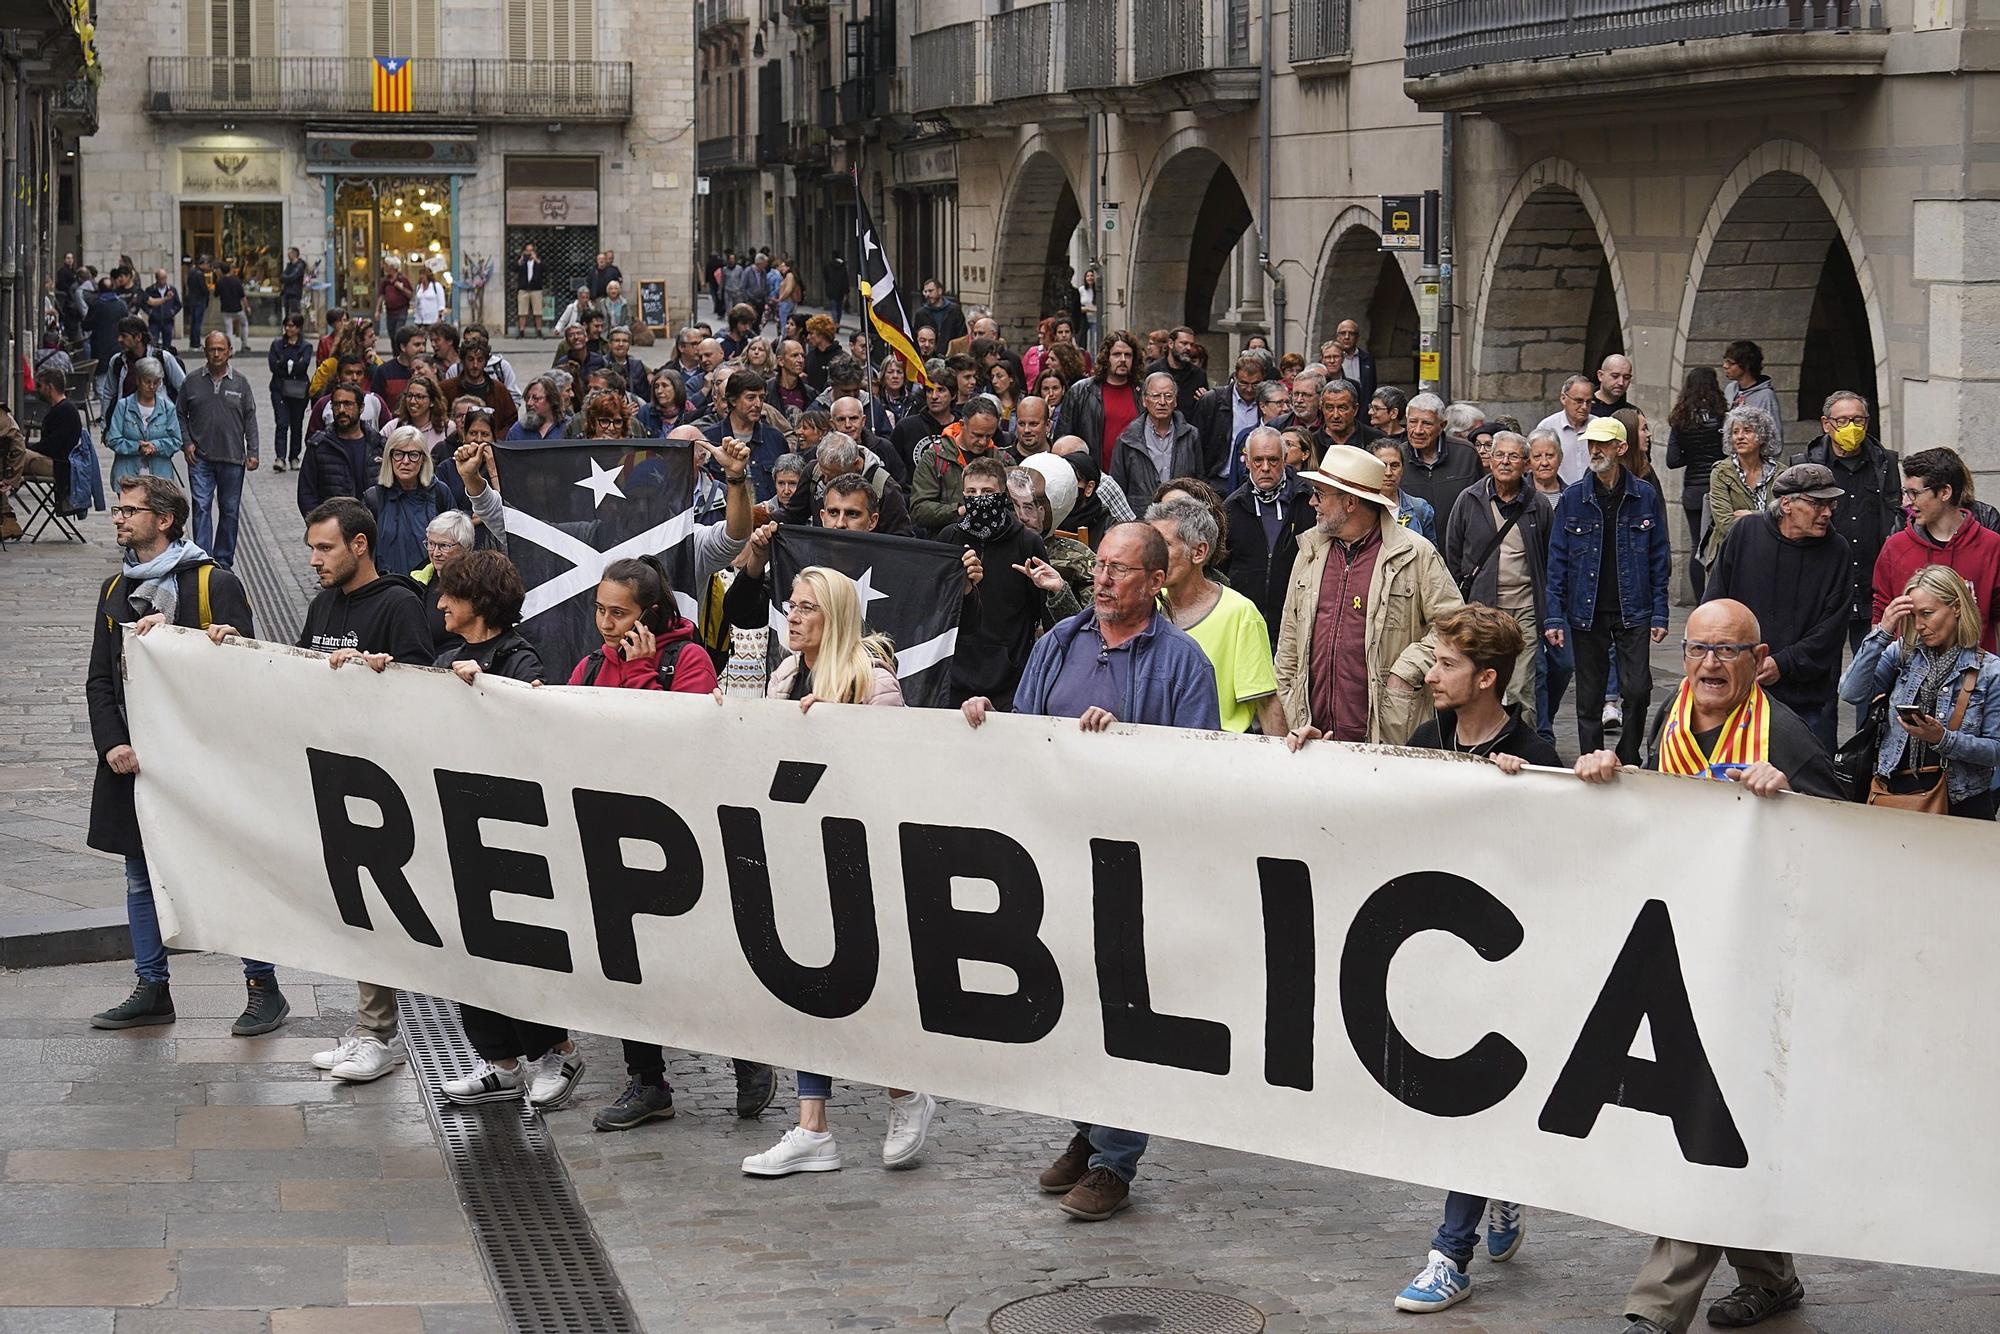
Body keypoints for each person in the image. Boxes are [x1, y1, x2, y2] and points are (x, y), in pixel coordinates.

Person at [1575, 597, 1835, 1334]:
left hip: (1754, 960)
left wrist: (1794, 795)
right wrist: (1609, 773)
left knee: (1705, 1117)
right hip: (1681, 948)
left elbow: (1846, 823)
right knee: (1725, 1115)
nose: (1711, 665)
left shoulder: (1782, 732)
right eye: (1699, 650)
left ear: (1758, 660)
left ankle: (1657, 1308)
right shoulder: (1669, 717)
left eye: (1728, 651)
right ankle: (1770, 1276)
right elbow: (1659, 804)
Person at [963, 522, 1218, 1221]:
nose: (1103, 580)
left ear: (1156, 581)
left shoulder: (1183, 663)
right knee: (1072, 1002)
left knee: (1125, 1009)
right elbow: (1026, 739)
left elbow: (1199, 767)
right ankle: (1087, 1130)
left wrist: (1126, 745)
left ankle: (1114, 1161)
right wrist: (988, 720)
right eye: (1101, 566)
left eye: (1122, 570)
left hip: (1135, 867)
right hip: (1057, 858)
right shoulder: (1059, 643)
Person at [209, 498, 433, 1083]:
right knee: (355, 910)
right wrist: (239, 652)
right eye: (309, 548)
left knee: (380, 912)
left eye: (325, 547)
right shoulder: (323, 603)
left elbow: (425, 691)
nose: (313, 560)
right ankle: (369, 1028)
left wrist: (380, 671)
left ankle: (380, 1032)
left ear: (360, 545)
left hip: (386, 786)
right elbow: (302, 675)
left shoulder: (400, 604)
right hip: (335, 777)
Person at [737, 566, 939, 1175]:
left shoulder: (873, 683)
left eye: (808, 608)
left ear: (838, 618)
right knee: (805, 984)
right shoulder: (783, 675)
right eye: (791, 606)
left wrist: (836, 732)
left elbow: (892, 772)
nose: (793, 617)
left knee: (868, 986)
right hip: (800, 854)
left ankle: (906, 1090)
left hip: (863, 861)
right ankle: (812, 1126)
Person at [572, 548, 777, 1127]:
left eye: (618, 614)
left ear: (650, 613)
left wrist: (639, 674)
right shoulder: (589, 666)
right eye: (600, 611)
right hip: (615, 833)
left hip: (684, 835)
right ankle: (646, 1080)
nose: (607, 624)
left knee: (708, 952)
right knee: (630, 961)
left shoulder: (688, 661)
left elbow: (677, 742)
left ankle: (750, 1057)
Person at [85, 475, 289, 1037]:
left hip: (207, 760)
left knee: (231, 870)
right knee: (140, 875)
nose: (119, 518)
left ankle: (263, 988)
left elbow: (247, 668)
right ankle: (152, 988)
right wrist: (113, 743)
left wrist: (179, 634)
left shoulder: (214, 583)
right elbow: (101, 681)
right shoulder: (113, 590)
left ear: (166, 519)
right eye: (118, 510)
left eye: (130, 510)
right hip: (138, 761)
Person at [1276, 445, 1463, 748]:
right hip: (1313, 737)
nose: (1312, 502)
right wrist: (1289, 707)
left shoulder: (1414, 554)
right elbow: (1289, 641)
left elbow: (1456, 628)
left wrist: (1407, 670)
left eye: (1321, 494)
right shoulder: (1309, 552)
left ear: (1350, 502)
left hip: (1389, 735)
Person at [1544, 416, 1671, 766]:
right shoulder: (1573, 497)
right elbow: (1558, 559)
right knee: (1588, 694)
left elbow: (1660, 556)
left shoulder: (1644, 495)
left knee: (1637, 689)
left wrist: (1661, 611)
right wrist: (1553, 614)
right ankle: (1591, 757)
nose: (1594, 450)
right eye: (1590, 444)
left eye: (1602, 444)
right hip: (1586, 609)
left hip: (1635, 607)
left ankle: (1628, 755)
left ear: (1621, 448)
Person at [1704, 463, 1853, 751]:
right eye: (1817, 504)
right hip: (1741, 688)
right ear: (1786, 503)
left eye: (1831, 504)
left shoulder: (1837, 551)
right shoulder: (1746, 533)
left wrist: (1783, 663)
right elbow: (1715, 606)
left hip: (1808, 699)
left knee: (1810, 788)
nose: (1827, 513)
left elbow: (1831, 630)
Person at [1843, 565, 2000, 819]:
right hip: (1895, 794)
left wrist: (1942, 739)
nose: (1919, 625)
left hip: (1960, 801)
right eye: (1913, 616)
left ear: (1957, 608)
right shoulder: (1903, 653)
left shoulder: (1990, 671)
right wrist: (1883, 632)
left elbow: (1995, 750)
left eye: (1927, 613)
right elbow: (1851, 692)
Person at [1444, 431, 1554, 726]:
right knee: (1482, 680)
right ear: (1489, 459)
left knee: (1521, 686)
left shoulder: (1538, 504)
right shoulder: (1469, 500)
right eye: (1499, 455)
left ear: (1526, 464)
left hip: (1526, 607)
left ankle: (1522, 748)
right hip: (1484, 610)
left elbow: (1547, 557)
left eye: (1514, 456)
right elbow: (1453, 553)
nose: (1505, 462)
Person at [1147, 498, 1282, 734]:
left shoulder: (1239, 613)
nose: (1153, 555)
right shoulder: (1146, 604)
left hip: (1218, 751)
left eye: (1164, 545)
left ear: (1199, 552)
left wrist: (1284, 765)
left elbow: (1266, 702)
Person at [1790, 390, 1898, 658]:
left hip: (1872, 579)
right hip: (1825, 582)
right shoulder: (1805, 466)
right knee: (1820, 662)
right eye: (1843, 421)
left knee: (1872, 665)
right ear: (1827, 424)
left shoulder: (1886, 463)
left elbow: (1895, 513)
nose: (1851, 427)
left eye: (1858, 420)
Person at [936, 455, 1047, 707]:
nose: (979, 498)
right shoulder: (948, 537)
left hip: (1008, 676)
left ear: (1003, 495)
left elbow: (1038, 608)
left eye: (987, 491)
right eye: (971, 492)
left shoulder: (1028, 542)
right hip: (956, 671)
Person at [1872, 447, 2000, 652]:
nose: (1907, 502)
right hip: (1910, 675)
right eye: (1906, 492)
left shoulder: (1991, 545)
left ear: (1944, 492)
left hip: (1974, 675)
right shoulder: (1895, 547)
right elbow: (1881, 613)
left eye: (1915, 493)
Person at [1223, 425, 1316, 644]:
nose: (1265, 468)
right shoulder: (1231, 508)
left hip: (1298, 623)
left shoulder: (1309, 501)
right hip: (1246, 625)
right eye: (1258, 460)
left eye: (1273, 460)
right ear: (1246, 460)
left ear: (1285, 459)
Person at [180, 330, 259, 568]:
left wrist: (253, 451)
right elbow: (180, 413)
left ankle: (224, 561)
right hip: (200, 458)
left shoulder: (241, 383)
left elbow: (250, 418)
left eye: (220, 349)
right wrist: (187, 443)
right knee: (201, 507)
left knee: (230, 511)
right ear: (205, 351)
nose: (216, 354)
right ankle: (203, 559)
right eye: (212, 349)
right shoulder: (192, 381)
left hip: (233, 458)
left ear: (230, 352)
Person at [1666, 365, 1729, 599]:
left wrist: (1691, 455)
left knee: (1697, 546)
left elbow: (1672, 460)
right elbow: (1728, 452)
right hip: (1721, 489)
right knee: (1722, 544)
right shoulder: (1723, 416)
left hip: (1693, 490)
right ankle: (1721, 596)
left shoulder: (1681, 420)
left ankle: (1701, 601)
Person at [911, 395, 1014, 535]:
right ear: (962, 425)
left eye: (989, 436)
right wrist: (961, 510)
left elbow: (1015, 507)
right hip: (949, 544)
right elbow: (919, 510)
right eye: (977, 435)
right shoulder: (935, 457)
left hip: (994, 544)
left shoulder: (1003, 460)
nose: (983, 442)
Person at [365, 425, 456, 576]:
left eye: (413, 455)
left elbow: (455, 545)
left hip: (431, 586)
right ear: (389, 457)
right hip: (387, 587)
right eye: (399, 454)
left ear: (423, 459)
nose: (405, 461)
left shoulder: (440, 493)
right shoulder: (374, 498)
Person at [1702, 403, 1781, 567]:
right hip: (1730, 553)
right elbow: (1725, 522)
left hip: (1772, 552)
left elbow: (1784, 517)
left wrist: (1751, 515)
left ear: (1763, 435)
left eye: (1747, 431)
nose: (1739, 437)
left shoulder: (1781, 473)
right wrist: (1765, 516)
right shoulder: (1721, 472)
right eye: (1735, 432)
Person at [1058, 330, 1144, 471]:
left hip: (1134, 475)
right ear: (1106, 357)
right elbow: (1064, 436)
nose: (1123, 359)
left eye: (1128, 355)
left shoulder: (1143, 392)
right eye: (1116, 354)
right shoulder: (1081, 391)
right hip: (1094, 473)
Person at [1111, 372, 1203, 499]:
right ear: (1144, 400)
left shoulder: (1191, 435)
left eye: (1168, 396)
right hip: (1141, 515)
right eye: (1155, 396)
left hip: (1181, 512)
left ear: (1175, 401)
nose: (1162, 402)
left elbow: (1200, 483)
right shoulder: (1127, 439)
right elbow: (1117, 489)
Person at [297, 384, 384, 516]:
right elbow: (306, 493)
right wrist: (320, 524)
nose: (341, 410)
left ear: (361, 407)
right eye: (336, 405)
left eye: (348, 404)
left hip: (375, 527)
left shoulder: (379, 445)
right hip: (334, 528)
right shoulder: (319, 446)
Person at [1401, 392, 1483, 525]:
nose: (1418, 430)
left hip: (1456, 543)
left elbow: (1481, 504)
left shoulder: (1466, 454)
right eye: (1413, 422)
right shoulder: (1397, 457)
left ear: (1442, 425)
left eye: (1427, 423)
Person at [105, 358, 185, 488]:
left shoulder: (167, 407)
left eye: (156, 382)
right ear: (138, 380)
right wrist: (137, 447)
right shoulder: (123, 406)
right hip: (128, 476)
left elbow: (176, 441)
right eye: (147, 382)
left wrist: (156, 445)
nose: (152, 386)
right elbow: (113, 440)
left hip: (160, 478)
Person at [267, 313, 315, 474]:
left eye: (292, 325)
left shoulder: (305, 346)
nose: (289, 328)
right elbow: (274, 366)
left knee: (296, 424)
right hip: (279, 389)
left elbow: (303, 366)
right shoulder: (277, 345)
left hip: (299, 390)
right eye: (287, 325)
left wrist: (287, 365)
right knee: (282, 423)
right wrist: (291, 365)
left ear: (299, 328)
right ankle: (280, 457)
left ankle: (294, 456)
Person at [1371, 438, 1437, 545]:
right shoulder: (1359, 509)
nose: (1388, 472)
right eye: (1382, 465)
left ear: (1403, 468)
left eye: (1395, 466)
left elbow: (1431, 555)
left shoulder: (1420, 509)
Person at [1533, 374, 1595, 485]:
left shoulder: (1598, 426)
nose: (1585, 407)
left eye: (1589, 402)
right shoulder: (1547, 427)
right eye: (1579, 401)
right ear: (1563, 398)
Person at [1144, 325, 1207, 417]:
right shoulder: (1152, 371)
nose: (1189, 348)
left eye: (1191, 344)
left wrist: (1206, 400)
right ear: (1170, 343)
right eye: (1184, 343)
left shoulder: (1198, 375)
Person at [1722, 338, 1781, 422]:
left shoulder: (1765, 396)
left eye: (1730, 363)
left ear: (1746, 365)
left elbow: (1774, 431)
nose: (1725, 366)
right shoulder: (1730, 388)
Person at [1325, 320, 1377, 405]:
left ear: (1357, 337)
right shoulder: (1330, 359)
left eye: (1351, 333)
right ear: (1337, 336)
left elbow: (1371, 388)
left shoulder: (1367, 359)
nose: (1346, 337)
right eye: (1343, 333)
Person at [214, 261, 249, 352]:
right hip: (237, 308)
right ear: (230, 270)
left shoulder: (219, 282)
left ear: (221, 271)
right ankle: (244, 344)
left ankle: (231, 349)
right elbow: (243, 296)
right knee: (244, 324)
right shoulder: (237, 281)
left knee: (229, 330)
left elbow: (216, 294)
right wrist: (247, 306)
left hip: (225, 309)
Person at [377, 257, 414, 337]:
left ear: (392, 267)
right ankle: (395, 349)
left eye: (386, 266)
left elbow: (410, 294)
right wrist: (377, 311)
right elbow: (381, 295)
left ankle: (399, 349)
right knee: (391, 333)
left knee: (398, 332)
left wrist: (402, 288)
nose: (384, 267)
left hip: (401, 310)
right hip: (389, 312)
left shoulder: (402, 279)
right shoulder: (385, 281)